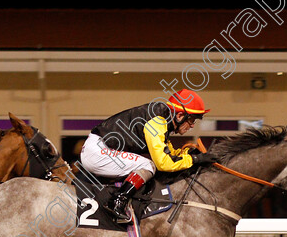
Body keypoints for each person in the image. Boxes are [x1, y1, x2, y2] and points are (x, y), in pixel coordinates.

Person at [79, 88, 217, 223]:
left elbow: (168, 153)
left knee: (146, 164)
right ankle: (117, 201)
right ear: (180, 116)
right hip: (98, 152)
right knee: (148, 165)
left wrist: (187, 154)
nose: (192, 126)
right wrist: (195, 159)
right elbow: (163, 163)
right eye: (192, 120)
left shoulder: (163, 120)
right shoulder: (157, 122)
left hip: (100, 149)